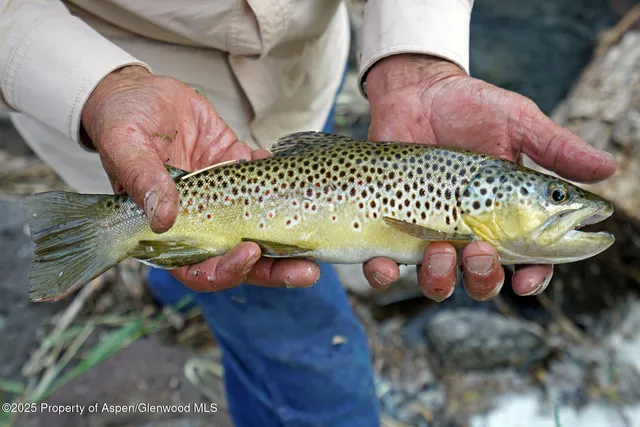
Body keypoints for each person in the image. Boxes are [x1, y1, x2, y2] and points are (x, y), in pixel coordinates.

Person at [0, 1, 616, 425]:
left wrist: (417, 56)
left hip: (302, 80)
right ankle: (146, 249)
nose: (564, 207)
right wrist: (98, 87)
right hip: (137, 117)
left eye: (556, 199)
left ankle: (169, 269)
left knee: (199, 255)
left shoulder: (458, 189)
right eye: (555, 199)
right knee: (318, 360)